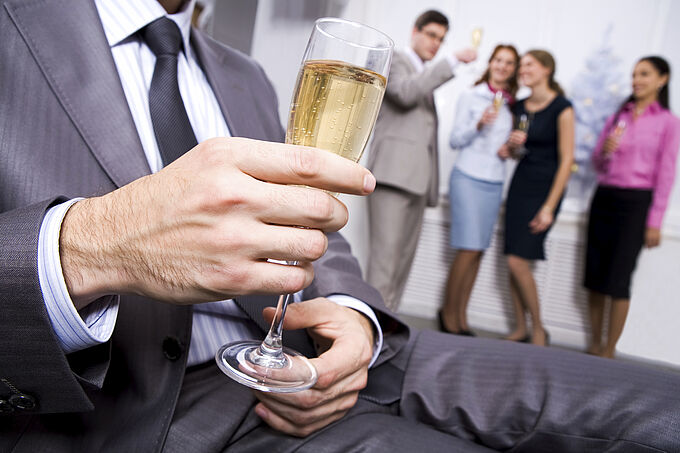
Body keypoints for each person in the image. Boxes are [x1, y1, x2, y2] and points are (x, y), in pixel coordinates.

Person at [2, 1, 680, 452]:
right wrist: (93, 245)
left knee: (652, 404)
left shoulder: (246, 76)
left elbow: (310, 213)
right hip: (153, 402)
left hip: (330, 352)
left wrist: (357, 317)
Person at [366, 10, 477, 311]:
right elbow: (405, 93)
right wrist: (452, 61)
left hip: (418, 181)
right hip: (391, 175)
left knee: (402, 265)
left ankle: (388, 325)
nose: (435, 43)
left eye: (441, 39)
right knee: (385, 264)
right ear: (415, 31)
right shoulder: (393, 59)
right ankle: (370, 327)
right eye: (431, 35)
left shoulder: (423, 73)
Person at [585, 56, 680, 359]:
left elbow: (666, 175)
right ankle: (594, 345)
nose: (636, 80)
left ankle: (609, 350)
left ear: (662, 79)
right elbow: (597, 163)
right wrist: (604, 152)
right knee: (595, 277)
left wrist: (655, 221)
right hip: (605, 197)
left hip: (636, 203)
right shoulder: (619, 116)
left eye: (644, 74)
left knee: (619, 280)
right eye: (634, 74)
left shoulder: (668, 122)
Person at [439, 44, 521, 335]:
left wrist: (511, 149)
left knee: (479, 252)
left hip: (494, 181)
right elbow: (455, 140)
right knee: (468, 248)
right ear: (491, 63)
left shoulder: (513, 106)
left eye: (509, 63)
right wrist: (478, 123)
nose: (503, 66)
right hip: (468, 178)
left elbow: (509, 151)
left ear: (514, 70)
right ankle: (447, 314)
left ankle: (462, 317)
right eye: (499, 60)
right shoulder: (471, 96)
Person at [503, 50, 575, 346]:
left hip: (546, 190)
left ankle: (539, 329)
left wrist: (549, 207)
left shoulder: (562, 107)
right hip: (520, 185)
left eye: (529, 65)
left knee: (519, 262)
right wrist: (512, 146)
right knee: (512, 259)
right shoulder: (518, 106)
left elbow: (567, 160)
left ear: (547, 69)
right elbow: (515, 154)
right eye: (521, 65)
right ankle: (521, 328)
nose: (523, 70)